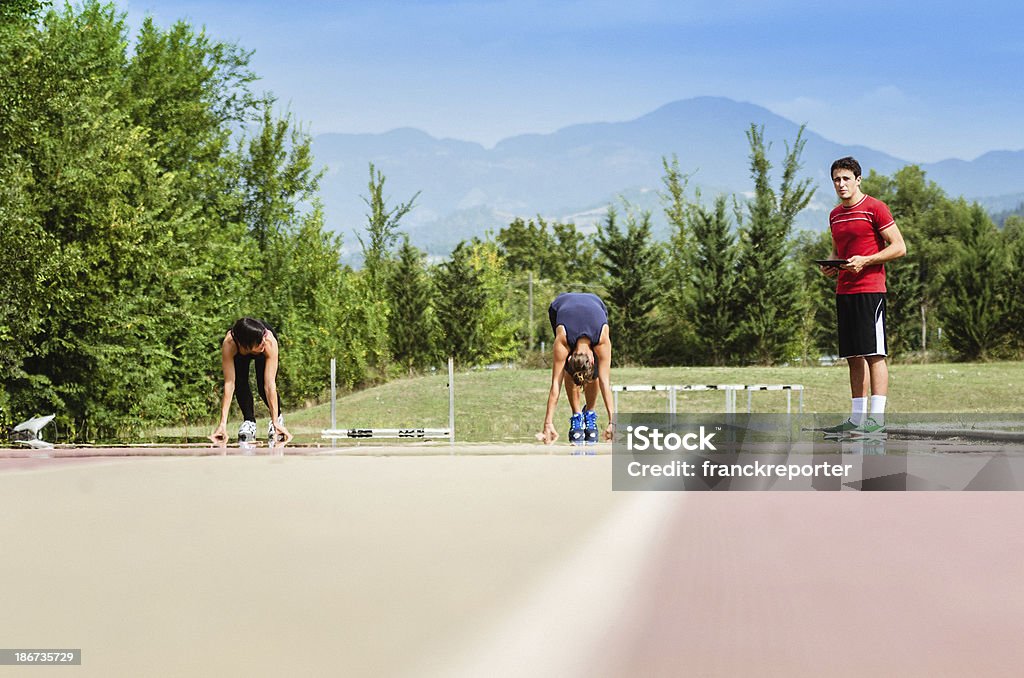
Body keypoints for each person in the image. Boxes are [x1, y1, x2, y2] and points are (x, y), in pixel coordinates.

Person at [820, 157, 907, 435]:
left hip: (870, 291)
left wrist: (866, 261)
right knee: (853, 356)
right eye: (836, 179)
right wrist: (830, 265)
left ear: (858, 179)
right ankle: (857, 419)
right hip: (844, 291)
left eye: (846, 178)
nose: (841, 184)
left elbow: (899, 247)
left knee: (874, 354)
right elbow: (837, 251)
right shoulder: (834, 215)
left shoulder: (875, 208)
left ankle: (876, 420)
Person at [538, 292, 614, 445]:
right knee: (570, 371)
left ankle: (590, 412)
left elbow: (604, 382)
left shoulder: (602, 339)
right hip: (558, 307)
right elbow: (556, 384)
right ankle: (577, 416)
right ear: (570, 357)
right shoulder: (563, 340)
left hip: (597, 304)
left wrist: (613, 422)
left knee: (595, 374)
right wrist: (548, 423)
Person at [210, 317, 293, 443]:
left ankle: (277, 419)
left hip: (259, 347)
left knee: (262, 386)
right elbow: (229, 384)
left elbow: (270, 385)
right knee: (240, 383)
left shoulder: (268, 341)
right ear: (246, 345)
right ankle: (249, 421)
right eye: (260, 341)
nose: (264, 341)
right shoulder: (230, 344)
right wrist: (222, 424)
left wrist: (275, 421)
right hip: (241, 349)